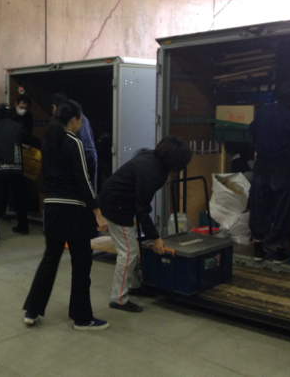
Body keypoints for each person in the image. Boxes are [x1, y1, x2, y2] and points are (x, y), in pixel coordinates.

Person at [23, 100, 109, 330]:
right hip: (73, 211)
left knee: (50, 260)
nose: (81, 124)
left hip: (52, 209)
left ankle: (32, 311)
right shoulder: (74, 142)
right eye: (81, 120)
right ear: (74, 120)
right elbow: (84, 181)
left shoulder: (47, 142)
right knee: (81, 264)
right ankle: (82, 318)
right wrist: (98, 212)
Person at [98, 136, 192, 313]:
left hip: (113, 200)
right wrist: (155, 238)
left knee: (130, 250)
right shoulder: (153, 172)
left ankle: (134, 285)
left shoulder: (152, 157)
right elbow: (142, 209)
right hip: (116, 207)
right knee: (128, 253)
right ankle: (118, 299)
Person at [249, 82, 290, 264]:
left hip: (261, 168)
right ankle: (280, 252)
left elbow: (252, 130)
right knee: (284, 211)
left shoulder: (264, 112)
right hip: (284, 171)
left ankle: (258, 249)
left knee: (259, 207)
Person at [0, 103, 34, 236]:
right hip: (16, 167)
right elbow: (30, 140)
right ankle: (23, 226)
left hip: (0, 167)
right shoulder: (18, 126)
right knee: (20, 197)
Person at [52, 93, 98, 189]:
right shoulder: (81, 117)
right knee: (89, 187)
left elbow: (75, 141)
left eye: (53, 107)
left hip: (83, 155)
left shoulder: (71, 119)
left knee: (84, 186)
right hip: (89, 154)